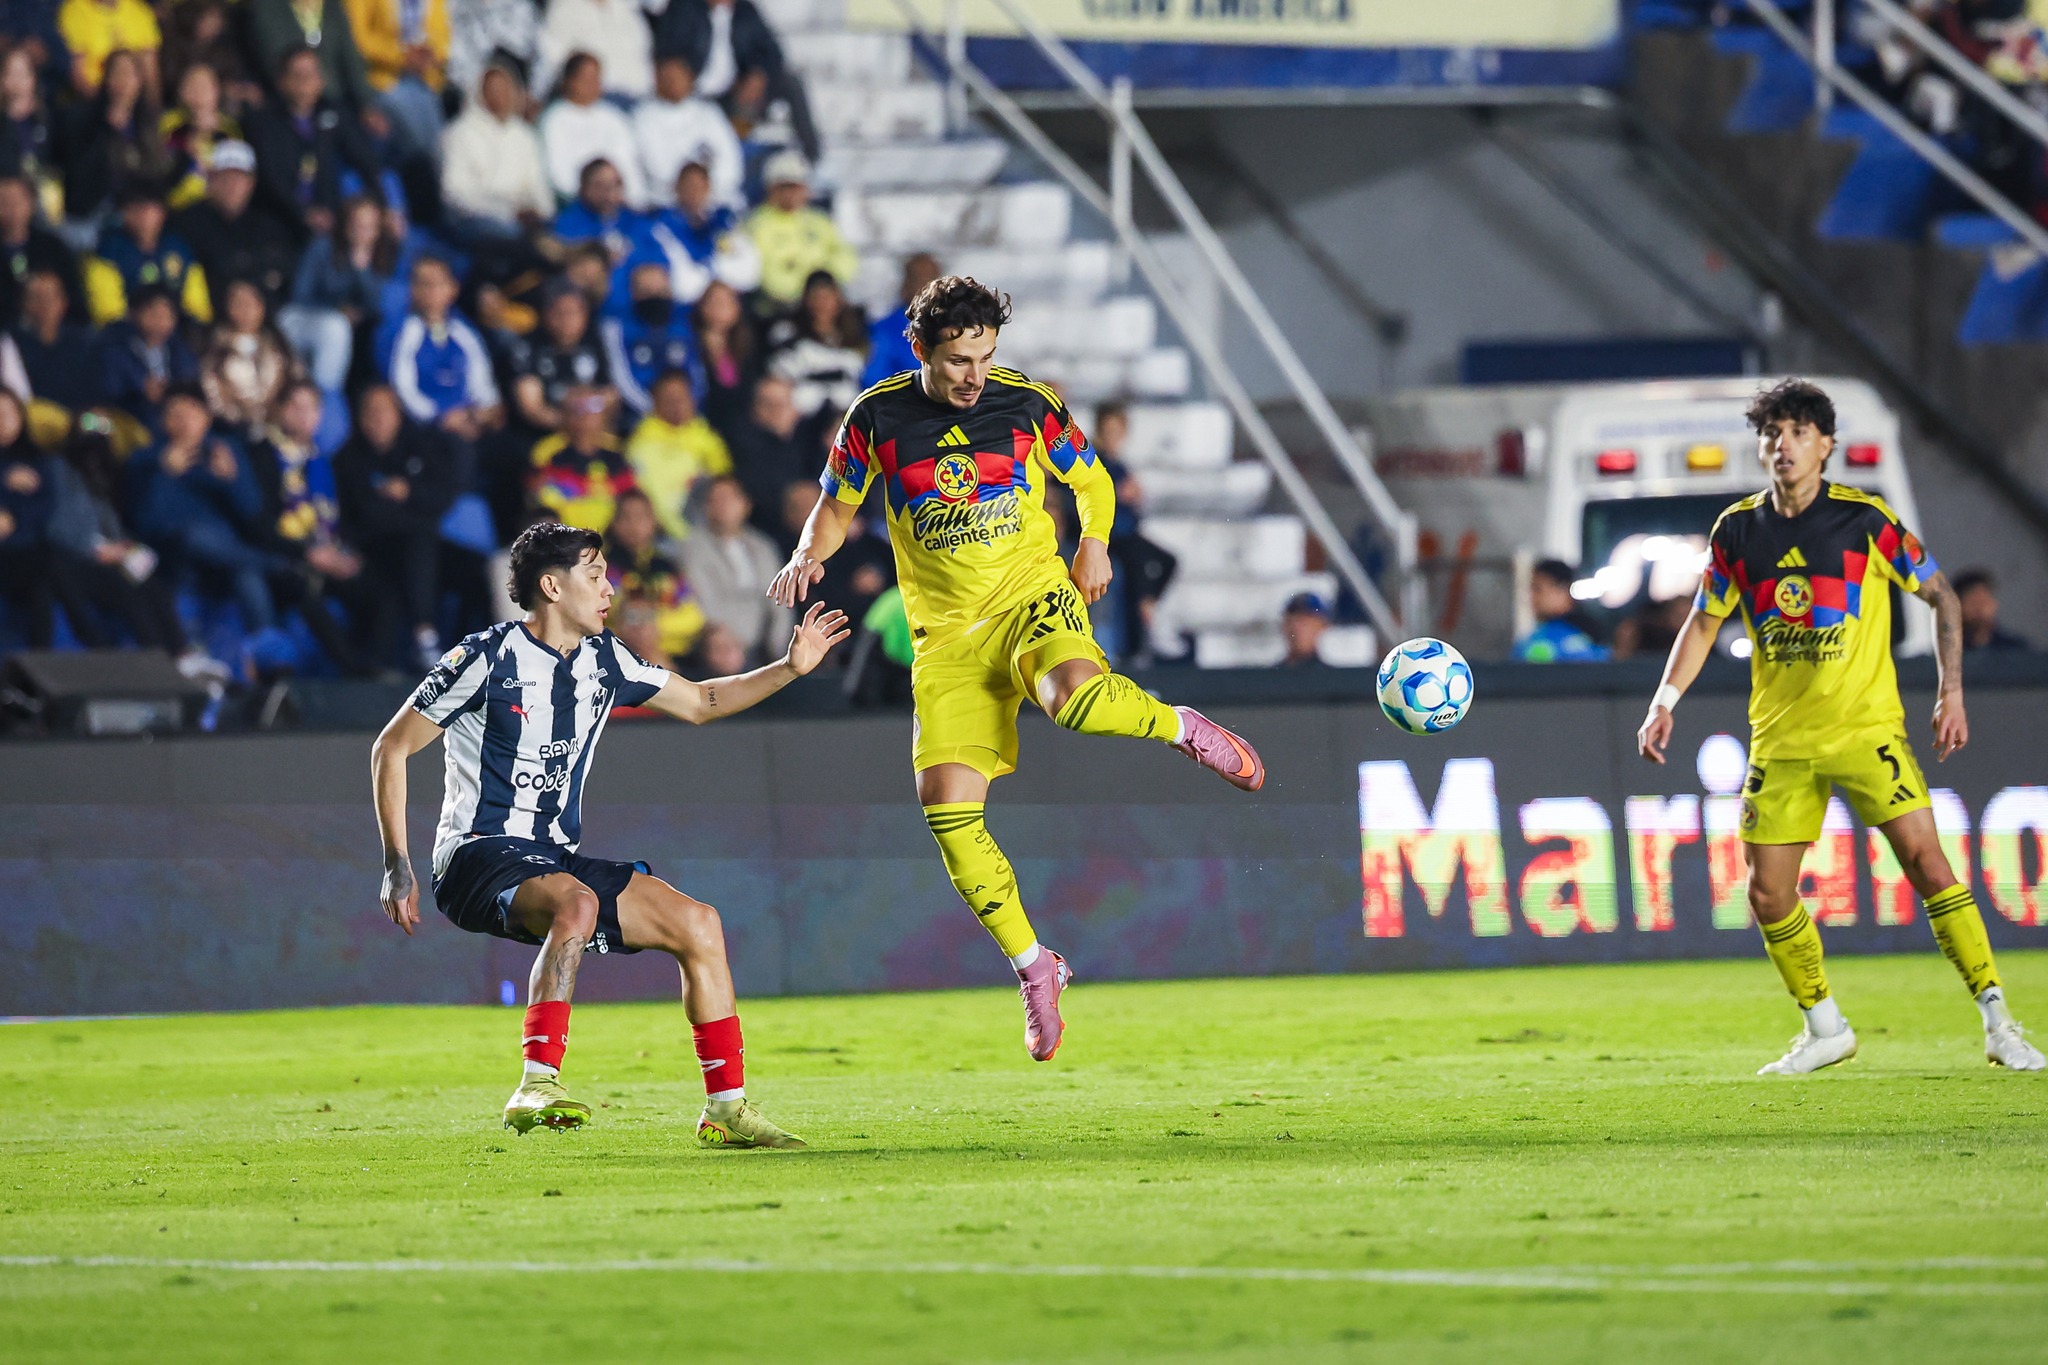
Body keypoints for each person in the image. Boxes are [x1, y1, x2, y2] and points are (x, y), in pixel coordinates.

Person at [771, 277, 1266, 1061]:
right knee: (947, 812)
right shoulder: (875, 418)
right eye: (960, 359)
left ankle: (1181, 726)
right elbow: (836, 506)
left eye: (985, 356)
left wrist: (1094, 538)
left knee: (1071, 698)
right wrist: (806, 554)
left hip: (1031, 598)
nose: (974, 374)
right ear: (920, 350)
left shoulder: (1028, 405)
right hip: (947, 644)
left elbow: (1090, 476)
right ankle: (1038, 967)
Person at [370, 519, 847, 1141]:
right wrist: (396, 862)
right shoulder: (485, 657)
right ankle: (536, 1084)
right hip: (475, 858)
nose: (608, 589)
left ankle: (726, 1110)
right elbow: (392, 747)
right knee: (578, 901)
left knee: (698, 924)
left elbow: (701, 702)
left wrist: (789, 668)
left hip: (553, 859)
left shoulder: (605, 659)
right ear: (551, 586)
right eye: (594, 575)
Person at [1638, 377, 2042, 1075]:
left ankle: (1999, 1020)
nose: (1783, 445)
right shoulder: (1737, 530)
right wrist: (1663, 699)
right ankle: (1825, 1026)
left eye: (1798, 432)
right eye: (1772, 433)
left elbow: (1941, 595)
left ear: (1826, 445)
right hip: (1783, 740)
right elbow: (1705, 620)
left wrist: (1952, 691)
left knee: (1926, 861)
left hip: (1865, 729)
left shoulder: (1864, 520)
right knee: (1767, 892)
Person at [46, 424, 217, 671]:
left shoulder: (102, 477)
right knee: (128, 588)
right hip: (73, 561)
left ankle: (182, 653)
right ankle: (158, 660)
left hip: (107, 556)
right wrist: (96, 548)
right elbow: (56, 526)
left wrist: (123, 545)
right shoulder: (58, 470)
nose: (96, 454)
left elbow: (108, 522)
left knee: (152, 583)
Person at [334, 383, 464, 668]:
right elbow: (363, 516)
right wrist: (413, 507)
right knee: (413, 549)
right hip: (374, 548)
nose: (377, 419)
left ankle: (476, 658)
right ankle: (424, 635)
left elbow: (443, 496)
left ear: (398, 414)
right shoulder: (348, 459)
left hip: (425, 542)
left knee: (475, 572)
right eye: (369, 412)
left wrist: (409, 493)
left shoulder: (422, 447)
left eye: (384, 411)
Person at [245, 45, 382, 243]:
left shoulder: (335, 113)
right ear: (282, 81)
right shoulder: (265, 123)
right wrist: (304, 214)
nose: (305, 81)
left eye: (311, 73)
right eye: (298, 74)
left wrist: (382, 206)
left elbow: (366, 161)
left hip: (331, 219)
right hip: (281, 221)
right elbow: (271, 180)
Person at [652, 0, 818, 160]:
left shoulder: (745, 11)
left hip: (733, 94)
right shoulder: (685, 7)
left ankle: (812, 157)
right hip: (694, 95)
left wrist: (758, 73)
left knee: (790, 84)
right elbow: (667, 50)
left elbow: (773, 52)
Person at [286, 194, 399, 392]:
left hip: (353, 326)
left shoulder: (382, 253)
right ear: (346, 224)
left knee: (373, 332)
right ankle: (325, 396)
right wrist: (337, 310)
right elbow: (299, 295)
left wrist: (361, 268)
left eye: (370, 227)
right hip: (304, 317)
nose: (363, 232)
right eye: (358, 224)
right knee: (336, 327)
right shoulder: (321, 248)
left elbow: (377, 304)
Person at [171, 139, 301, 310]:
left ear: (251, 183)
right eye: (224, 177)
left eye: (239, 178)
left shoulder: (268, 225)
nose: (232, 186)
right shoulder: (189, 222)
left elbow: (286, 271)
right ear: (210, 179)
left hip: (268, 316)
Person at [388, 254, 501, 438]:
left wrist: (480, 412)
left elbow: (481, 379)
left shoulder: (465, 332)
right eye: (425, 284)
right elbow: (402, 387)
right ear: (413, 290)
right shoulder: (401, 332)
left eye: (438, 284)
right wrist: (439, 417)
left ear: (453, 289)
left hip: (468, 418)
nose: (432, 292)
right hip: (424, 425)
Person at [680, 473, 788, 664]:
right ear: (706, 507)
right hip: (720, 647)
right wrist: (724, 639)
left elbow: (780, 600)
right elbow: (702, 598)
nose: (724, 506)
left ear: (746, 504)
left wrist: (779, 649)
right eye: (716, 499)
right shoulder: (693, 548)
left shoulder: (763, 546)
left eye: (730, 498)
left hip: (765, 647)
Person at [439, 60, 553, 239]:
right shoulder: (460, 133)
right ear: (481, 93)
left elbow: (536, 185)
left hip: (520, 220)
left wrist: (541, 212)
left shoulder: (524, 136)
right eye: (495, 90)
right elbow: (455, 193)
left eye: (507, 90)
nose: (503, 96)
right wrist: (506, 213)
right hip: (474, 220)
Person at [58, 47, 170, 222]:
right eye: (117, 73)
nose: (123, 81)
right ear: (107, 79)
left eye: (130, 74)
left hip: (136, 208)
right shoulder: (86, 117)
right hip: (95, 208)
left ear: (140, 81)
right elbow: (79, 172)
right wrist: (108, 130)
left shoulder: (147, 121)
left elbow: (156, 172)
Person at [626, 367, 730, 543]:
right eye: (669, 399)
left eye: (682, 398)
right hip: (660, 535)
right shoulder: (641, 443)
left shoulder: (708, 440)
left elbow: (724, 484)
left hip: (706, 532)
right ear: (655, 403)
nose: (677, 405)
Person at [85, 184, 211, 326]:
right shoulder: (108, 251)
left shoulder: (178, 248)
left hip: (176, 336)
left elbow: (198, 308)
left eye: (151, 209)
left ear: (163, 213)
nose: (145, 217)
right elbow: (108, 314)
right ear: (123, 213)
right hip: (124, 337)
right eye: (136, 210)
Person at [605, 484, 704, 665]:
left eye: (641, 517)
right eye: (626, 517)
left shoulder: (667, 568)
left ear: (654, 522)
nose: (634, 525)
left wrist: (651, 628)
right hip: (616, 653)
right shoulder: (601, 567)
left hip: (668, 654)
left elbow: (693, 617)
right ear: (614, 523)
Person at [744, 150, 856, 309]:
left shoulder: (819, 221)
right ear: (771, 189)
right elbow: (766, 276)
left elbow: (846, 257)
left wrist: (822, 281)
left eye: (796, 187)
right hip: (778, 307)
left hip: (823, 300)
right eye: (784, 187)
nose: (790, 193)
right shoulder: (756, 224)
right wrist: (809, 286)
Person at [344, 0, 450, 159]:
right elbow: (357, 38)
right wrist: (402, 56)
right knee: (424, 142)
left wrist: (430, 53)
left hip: (428, 80)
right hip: (385, 81)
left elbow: (443, 34)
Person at [635, 56, 743, 211]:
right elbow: (657, 168)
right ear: (656, 81)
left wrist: (704, 189)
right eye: (668, 78)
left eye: (679, 77)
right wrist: (689, 188)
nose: (674, 83)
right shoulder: (644, 116)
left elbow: (731, 163)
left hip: (715, 200)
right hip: (666, 203)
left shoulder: (709, 113)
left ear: (690, 79)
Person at [243, 0, 379, 119]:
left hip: (338, 97)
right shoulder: (266, 7)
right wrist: (305, 83)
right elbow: (274, 57)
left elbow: (350, 56)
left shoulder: (332, 6)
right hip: (288, 104)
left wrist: (366, 104)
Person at [539, 52, 644, 206]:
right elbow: (558, 177)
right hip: (577, 206)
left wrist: (631, 200)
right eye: (585, 78)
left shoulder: (615, 118)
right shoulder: (554, 118)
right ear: (569, 80)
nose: (592, 84)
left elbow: (630, 169)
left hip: (620, 207)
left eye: (596, 78)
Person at [200, 278, 301, 437]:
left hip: (277, 430)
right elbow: (212, 392)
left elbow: (297, 383)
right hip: (234, 431)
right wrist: (242, 418)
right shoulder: (216, 349)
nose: (246, 309)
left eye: (252, 302)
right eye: (238, 303)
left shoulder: (279, 345)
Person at [94, 281, 199, 432]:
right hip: (128, 418)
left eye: (167, 315)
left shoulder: (180, 349)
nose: (160, 321)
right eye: (153, 314)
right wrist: (140, 388)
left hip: (172, 419)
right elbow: (108, 390)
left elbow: (189, 385)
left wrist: (170, 393)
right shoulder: (114, 347)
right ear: (135, 313)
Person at [650, 159, 759, 302]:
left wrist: (715, 275)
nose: (694, 193)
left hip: (723, 301)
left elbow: (750, 274)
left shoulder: (725, 222)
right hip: (683, 307)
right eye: (688, 186)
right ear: (676, 188)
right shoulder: (661, 226)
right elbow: (680, 285)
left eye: (699, 187)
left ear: (708, 188)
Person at [510, 282, 612, 434]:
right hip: (542, 434)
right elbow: (532, 408)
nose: (566, 320)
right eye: (559, 313)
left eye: (573, 313)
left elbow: (610, 393)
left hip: (591, 431)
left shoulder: (594, 341)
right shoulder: (527, 346)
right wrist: (575, 424)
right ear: (545, 314)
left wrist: (589, 419)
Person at [766, 268, 866, 421]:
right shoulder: (788, 333)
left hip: (843, 416)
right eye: (816, 297)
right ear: (806, 299)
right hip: (800, 414)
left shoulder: (855, 335)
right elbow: (778, 376)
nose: (822, 303)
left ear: (838, 298)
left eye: (827, 296)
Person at [529, 385, 632, 531]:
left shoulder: (616, 447)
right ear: (564, 413)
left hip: (613, 537)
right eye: (578, 408)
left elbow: (629, 494)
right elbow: (542, 501)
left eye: (593, 407)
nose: (585, 416)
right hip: (567, 538)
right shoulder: (546, 451)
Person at [601, 261, 698, 417]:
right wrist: (655, 411)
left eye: (661, 291)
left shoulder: (686, 324)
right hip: (638, 417)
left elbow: (696, 373)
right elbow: (622, 379)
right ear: (633, 292)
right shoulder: (616, 328)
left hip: (687, 416)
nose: (655, 296)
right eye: (646, 291)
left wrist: (686, 408)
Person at [724, 372, 808, 536]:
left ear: (795, 411)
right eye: (768, 404)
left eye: (781, 404)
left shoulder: (806, 445)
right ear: (754, 410)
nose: (776, 412)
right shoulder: (743, 447)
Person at [0, 385, 52, 641]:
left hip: (24, 548)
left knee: (44, 576)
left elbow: (45, 505)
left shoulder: (35, 458)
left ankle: (43, 667)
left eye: (8, 414)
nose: (3, 422)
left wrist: (14, 518)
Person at [0, 172, 84, 330]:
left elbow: (75, 300)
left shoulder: (53, 246)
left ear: (31, 203)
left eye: (18, 201)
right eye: (4, 202)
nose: (12, 209)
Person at [158, 59, 241, 209]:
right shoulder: (168, 123)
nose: (198, 92)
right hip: (175, 202)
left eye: (204, 86)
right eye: (191, 86)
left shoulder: (229, 129)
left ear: (216, 91)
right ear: (181, 91)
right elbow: (162, 161)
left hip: (214, 206)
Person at [12, 269, 95, 415]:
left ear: (63, 302)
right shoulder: (12, 344)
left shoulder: (82, 342)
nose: (44, 305)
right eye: (37, 298)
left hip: (79, 421)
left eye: (50, 298)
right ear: (24, 303)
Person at [536, 0, 653, 101]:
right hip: (593, 102)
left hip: (638, 99)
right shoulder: (563, 10)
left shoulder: (629, 12)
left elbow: (644, 60)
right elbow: (551, 64)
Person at [861, 253, 939, 389]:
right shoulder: (883, 331)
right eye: (919, 280)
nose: (928, 289)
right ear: (906, 284)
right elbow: (874, 381)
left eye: (932, 280)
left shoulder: (954, 328)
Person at [56, 0, 161, 98]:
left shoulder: (138, 10)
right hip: (94, 96)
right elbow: (78, 75)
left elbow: (152, 71)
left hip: (135, 98)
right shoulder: (75, 10)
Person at [691, 277, 755, 434]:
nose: (719, 308)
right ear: (702, 307)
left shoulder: (747, 345)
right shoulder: (690, 342)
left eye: (726, 302)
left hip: (739, 423)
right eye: (714, 302)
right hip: (703, 420)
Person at [1513, 558, 1607, 662]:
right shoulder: (1594, 639)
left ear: (1562, 591)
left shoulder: (1584, 638)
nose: (1532, 597)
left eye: (1538, 589)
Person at [1953, 568, 2030, 650]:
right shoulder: (1946, 650)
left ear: (1994, 604)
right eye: (1973, 603)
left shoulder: (2015, 649)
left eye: (1984, 602)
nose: (1979, 609)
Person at [1279, 591, 1329, 667]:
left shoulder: (1331, 675)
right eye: (1294, 620)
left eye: (1306, 622)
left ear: (1322, 626)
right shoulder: (1270, 675)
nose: (1298, 628)